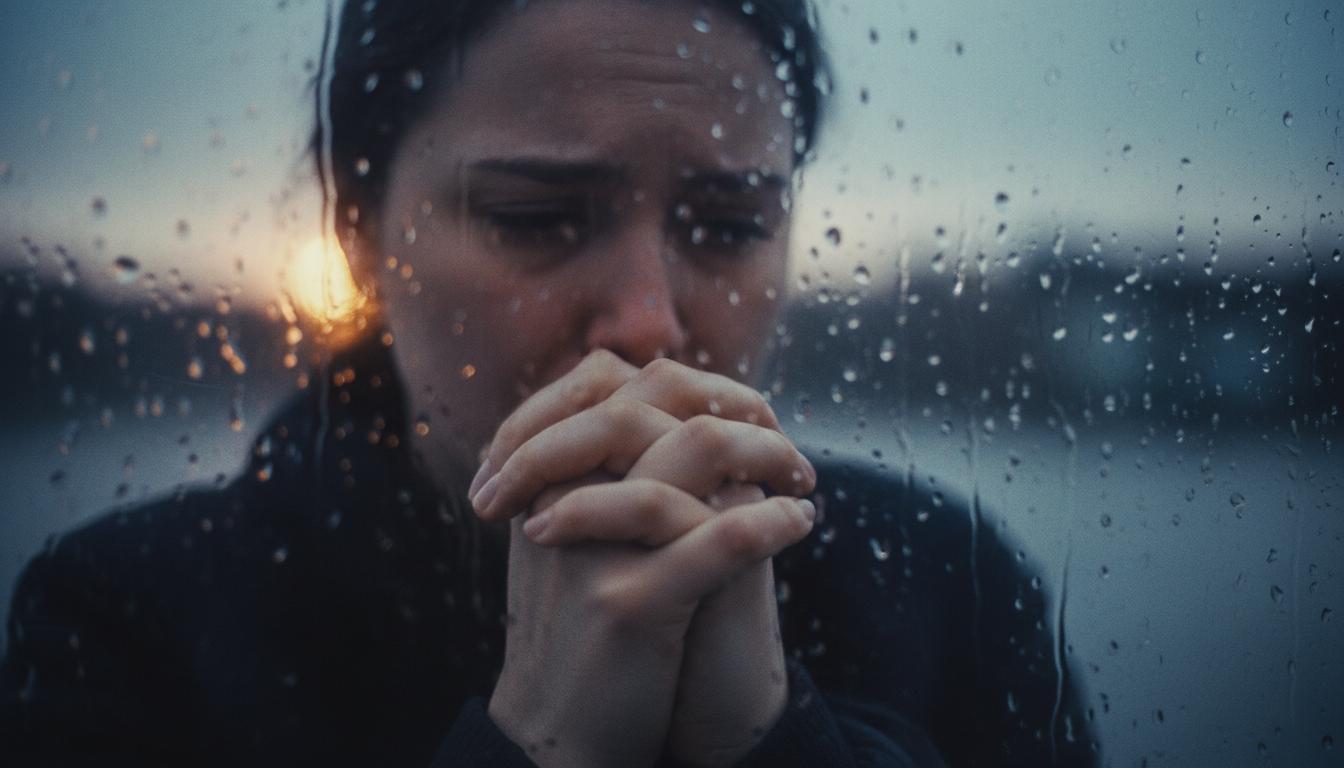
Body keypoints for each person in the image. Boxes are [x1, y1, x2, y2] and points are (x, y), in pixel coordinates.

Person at [1, 0, 1098, 765]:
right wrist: (533, 747)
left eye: (727, 228)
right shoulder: (128, 628)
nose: (647, 319)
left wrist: (772, 738)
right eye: (536, 219)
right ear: (361, 233)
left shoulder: (947, 596)